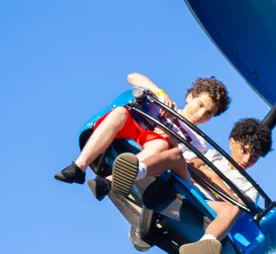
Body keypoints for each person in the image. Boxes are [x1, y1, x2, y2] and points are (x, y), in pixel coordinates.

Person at [112, 117, 274, 254]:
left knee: (232, 209)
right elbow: (192, 166)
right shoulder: (214, 156)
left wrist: (213, 179)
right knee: (176, 155)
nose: (246, 160)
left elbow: (240, 207)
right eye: (244, 151)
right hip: (188, 188)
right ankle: (135, 171)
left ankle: (206, 243)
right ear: (232, 143)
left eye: (254, 157)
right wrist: (210, 179)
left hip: (208, 206)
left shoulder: (251, 186)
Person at [54, 74, 230, 197]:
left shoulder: (198, 142)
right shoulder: (167, 104)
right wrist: (159, 92)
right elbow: (132, 77)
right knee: (121, 112)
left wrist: (173, 141)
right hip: (135, 132)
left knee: (160, 145)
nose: (200, 114)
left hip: (153, 150)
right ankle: (79, 167)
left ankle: (110, 181)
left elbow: (179, 162)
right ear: (190, 96)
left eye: (208, 114)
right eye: (199, 105)